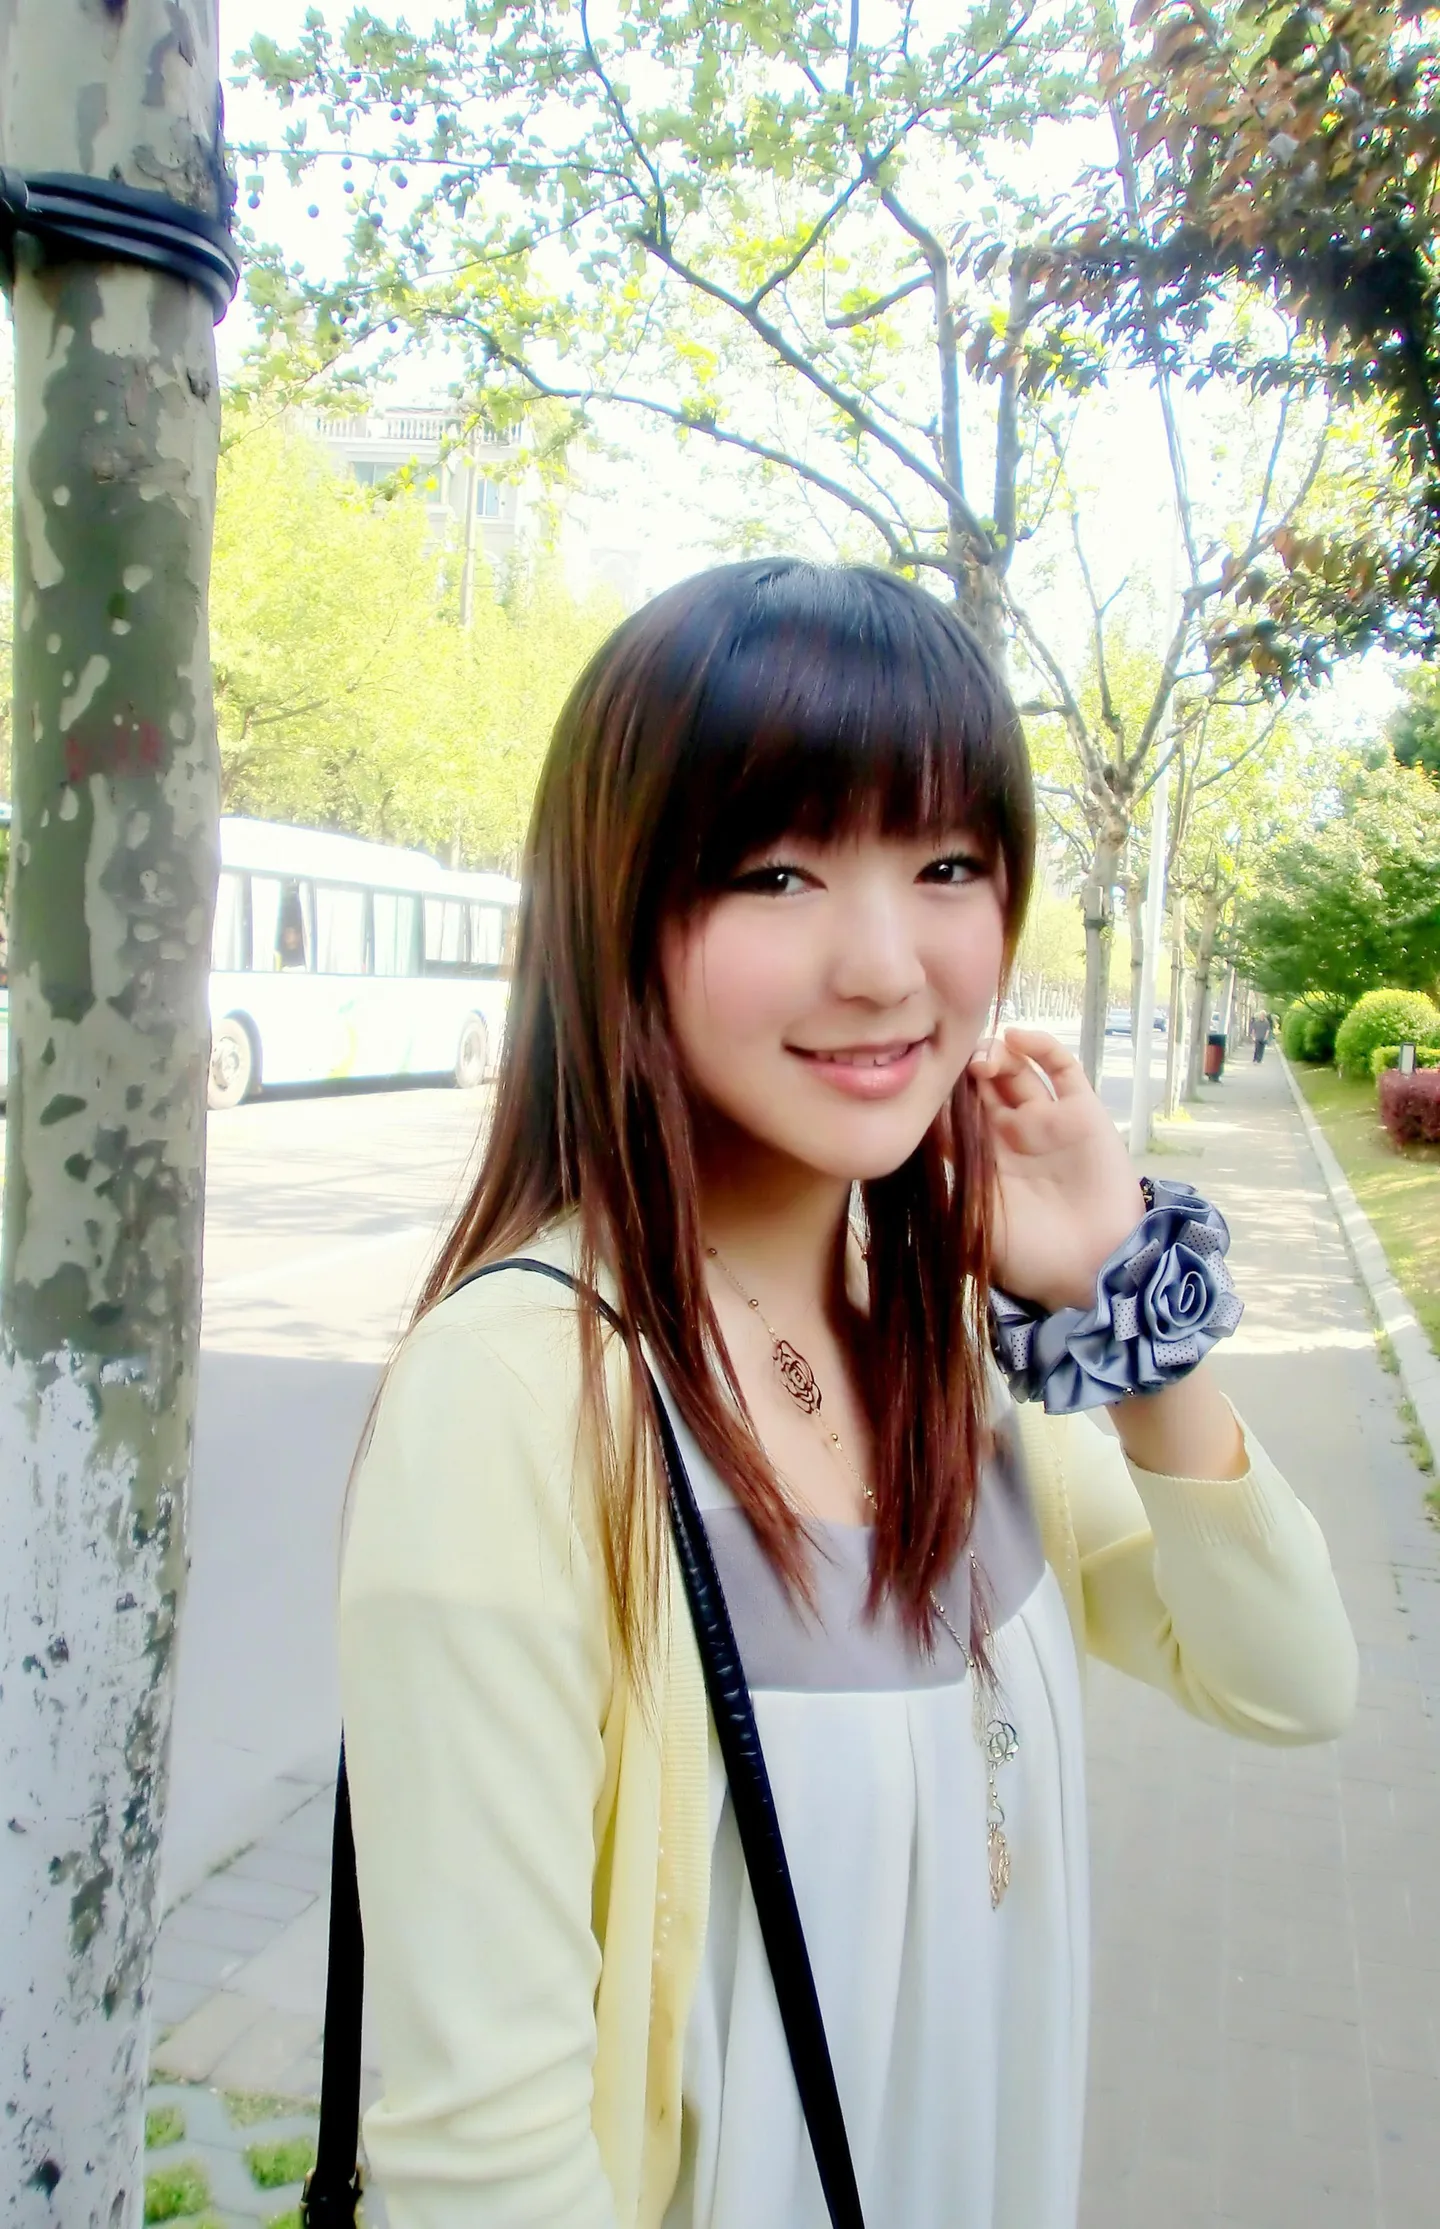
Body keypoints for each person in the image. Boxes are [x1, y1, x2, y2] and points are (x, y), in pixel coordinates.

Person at [340, 561, 1357, 2229]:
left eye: (947, 864)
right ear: (617, 915)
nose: (886, 967)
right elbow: (483, 2162)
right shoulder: (523, 1398)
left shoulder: (936, 1335)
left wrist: (1121, 1306)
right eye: (777, 873)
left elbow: (1289, 1680)